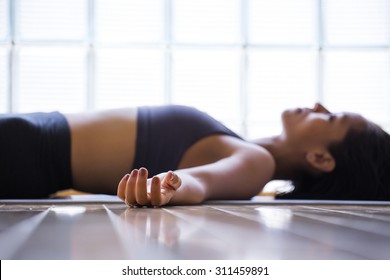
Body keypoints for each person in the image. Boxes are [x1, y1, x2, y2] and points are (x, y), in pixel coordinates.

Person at [1, 103, 389, 205]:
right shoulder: (243, 147)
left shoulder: (256, 163)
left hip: (24, 152)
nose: (319, 105)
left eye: (332, 116)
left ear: (321, 159)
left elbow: (199, 182)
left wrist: (168, 187)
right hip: (26, 140)